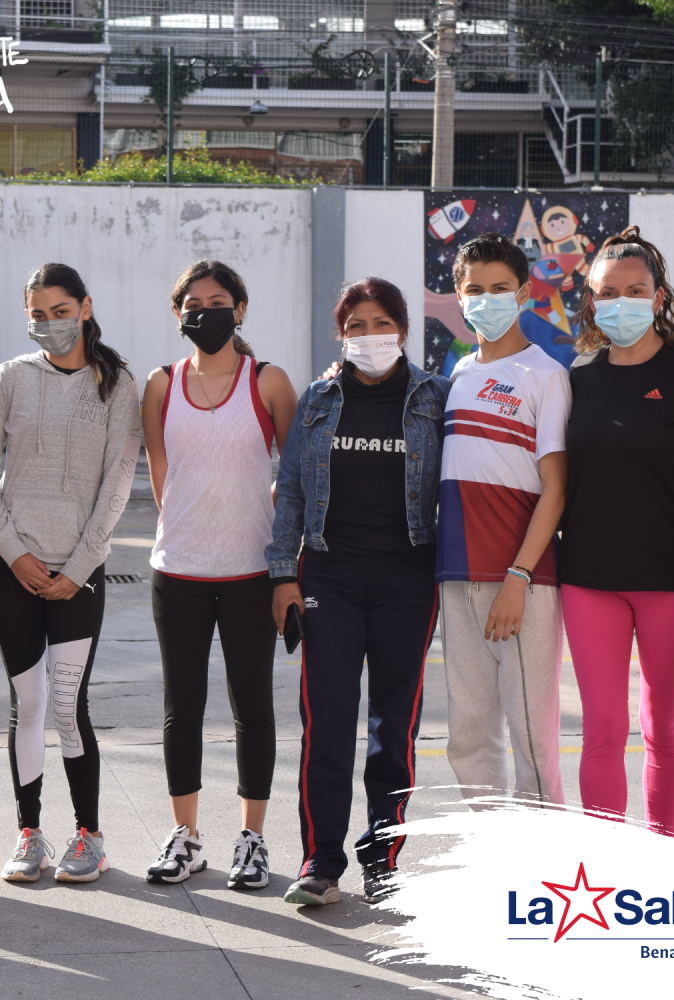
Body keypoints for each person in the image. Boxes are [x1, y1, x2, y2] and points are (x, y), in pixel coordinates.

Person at [269, 277, 449, 907]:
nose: (369, 336)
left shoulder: (435, 397)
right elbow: (291, 490)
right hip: (329, 579)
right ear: (341, 335)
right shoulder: (319, 398)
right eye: (356, 326)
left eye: (381, 324)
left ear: (403, 329)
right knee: (326, 725)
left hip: (408, 581)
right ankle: (321, 860)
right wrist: (282, 575)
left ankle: (383, 858)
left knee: (393, 728)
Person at [0, 263, 141, 883]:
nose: (49, 324)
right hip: (13, 565)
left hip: (80, 570)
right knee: (29, 700)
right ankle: (30, 833)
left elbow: (119, 482)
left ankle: (89, 836)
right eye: (37, 315)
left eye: (60, 312)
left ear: (85, 308)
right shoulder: (11, 377)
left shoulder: (119, 383)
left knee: (68, 705)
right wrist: (13, 551)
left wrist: (80, 565)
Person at [559, 226, 674, 837]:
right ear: (592, 299)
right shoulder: (577, 376)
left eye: (634, 291)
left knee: (665, 727)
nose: (621, 302)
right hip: (588, 576)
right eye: (608, 292)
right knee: (602, 729)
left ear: (657, 297)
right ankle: (607, 866)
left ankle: (662, 858)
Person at [141, 260, 297, 890]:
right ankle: (186, 838)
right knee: (182, 707)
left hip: (250, 573)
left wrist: (280, 557)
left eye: (218, 301)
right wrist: (189, 526)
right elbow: (160, 473)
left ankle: (251, 840)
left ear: (240, 309)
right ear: (177, 314)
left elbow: (296, 478)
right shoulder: (160, 384)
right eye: (193, 304)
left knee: (252, 707)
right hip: (177, 571)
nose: (205, 312)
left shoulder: (268, 381)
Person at [436, 233, 570, 813]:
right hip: (455, 575)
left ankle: (543, 858)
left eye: (500, 288)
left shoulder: (546, 374)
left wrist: (519, 576)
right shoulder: (458, 374)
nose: (486, 299)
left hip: (522, 581)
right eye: (475, 289)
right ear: (459, 296)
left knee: (532, 738)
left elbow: (556, 488)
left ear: (523, 293)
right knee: (468, 736)